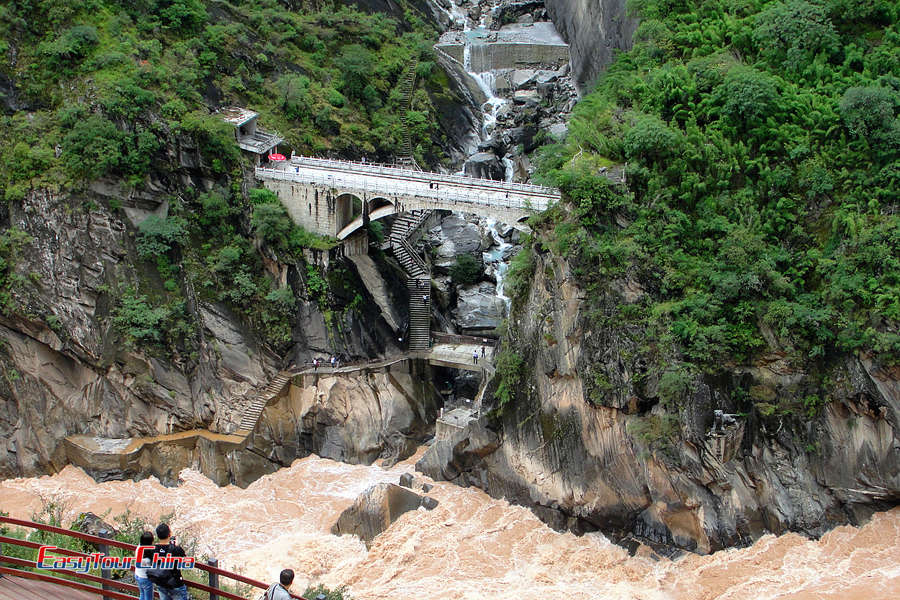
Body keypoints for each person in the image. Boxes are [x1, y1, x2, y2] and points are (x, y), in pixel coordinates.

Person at [148, 523, 188, 600]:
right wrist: (176, 546)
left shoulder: (153, 549)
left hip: (161, 584)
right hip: (176, 585)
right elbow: (186, 563)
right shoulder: (176, 549)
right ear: (169, 534)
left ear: (157, 535)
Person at [134, 531, 155, 600]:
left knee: (142, 594)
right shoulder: (148, 558)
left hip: (137, 574)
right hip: (145, 578)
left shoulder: (139, 547)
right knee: (148, 598)